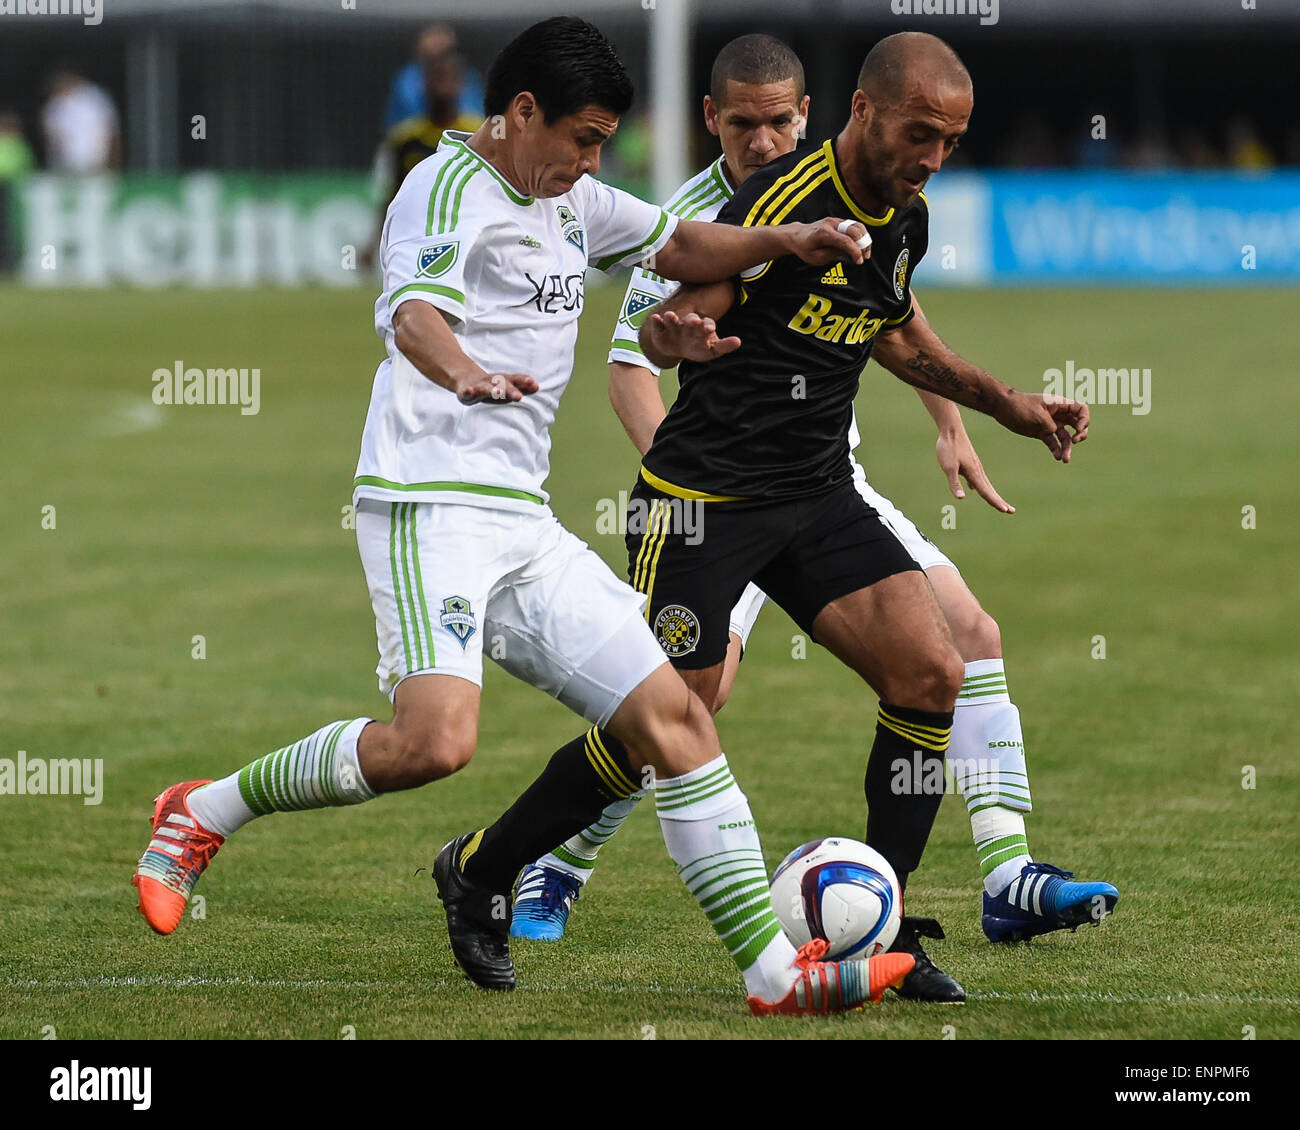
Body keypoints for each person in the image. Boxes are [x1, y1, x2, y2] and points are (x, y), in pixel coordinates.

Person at [132, 16, 913, 1018]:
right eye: (580, 139)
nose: (590, 163)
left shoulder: (575, 194)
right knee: (433, 744)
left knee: (675, 715)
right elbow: (415, 314)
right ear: (522, 112)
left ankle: (773, 974)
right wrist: (466, 374)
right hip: (426, 504)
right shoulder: (444, 188)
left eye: (602, 146)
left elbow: (679, 239)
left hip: (523, 521)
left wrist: (785, 235)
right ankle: (200, 810)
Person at [441, 30, 1117, 1000]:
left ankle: (886, 919)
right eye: (918, 134)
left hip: (816, 494)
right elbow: (690, 309)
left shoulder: (902, 212)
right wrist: (680, 331)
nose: (930, 158)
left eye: (950, 143)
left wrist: (1003, 404)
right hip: (704, 501)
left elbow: (894, 324)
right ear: (862, 113)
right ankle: (482, 868)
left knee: (931, 669)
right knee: (669, 717)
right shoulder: (780, 202)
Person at [364, 49, 482, 269]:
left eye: (447, 79)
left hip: (468, 239)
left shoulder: (478, 133)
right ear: (424, 84)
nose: (441, 87)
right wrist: (373, 243)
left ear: (460, 85)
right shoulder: (404, 138)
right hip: (416, 239)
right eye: (435, 79)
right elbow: (392, 194)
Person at [383, 24, 483, 129]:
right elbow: (399, 119)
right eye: (432, 56)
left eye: (444, 54)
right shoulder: (406, 79)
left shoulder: (468, 77)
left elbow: (475, 112)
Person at [40, 66, 120, 173]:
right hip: (66, 167)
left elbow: (112, 132)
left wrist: (113, 163)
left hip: (96, 164)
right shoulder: (53, 106)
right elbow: (51, 138)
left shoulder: (95, 98)